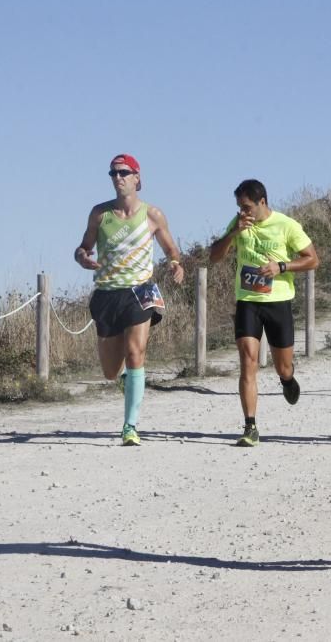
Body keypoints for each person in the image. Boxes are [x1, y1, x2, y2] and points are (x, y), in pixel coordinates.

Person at [75, 154, 185, 446]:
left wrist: (176, 264)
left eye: (123, 172)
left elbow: (171, 249)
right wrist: (84, 257)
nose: (117, 177)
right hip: (107, 294)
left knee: (136, 352)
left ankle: (130, 426)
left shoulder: (153, 215)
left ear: (137, 178)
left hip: (140, 291)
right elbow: (83, 247)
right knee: (111, 372)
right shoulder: (100, 214)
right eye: (112, 173)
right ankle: (126, 381)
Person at [209, 179, 319, 447]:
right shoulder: (239, 224)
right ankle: (250, 426)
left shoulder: (286, 225)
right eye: (239, 208)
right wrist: (234, 232)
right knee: (248, 360)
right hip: (248, 300)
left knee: (282, 365)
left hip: (278, 302)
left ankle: (287, 378)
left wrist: (281, 267)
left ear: (262, 202)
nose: (243, 213)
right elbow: (214, 256)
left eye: (247, 207)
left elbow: (313, 259)